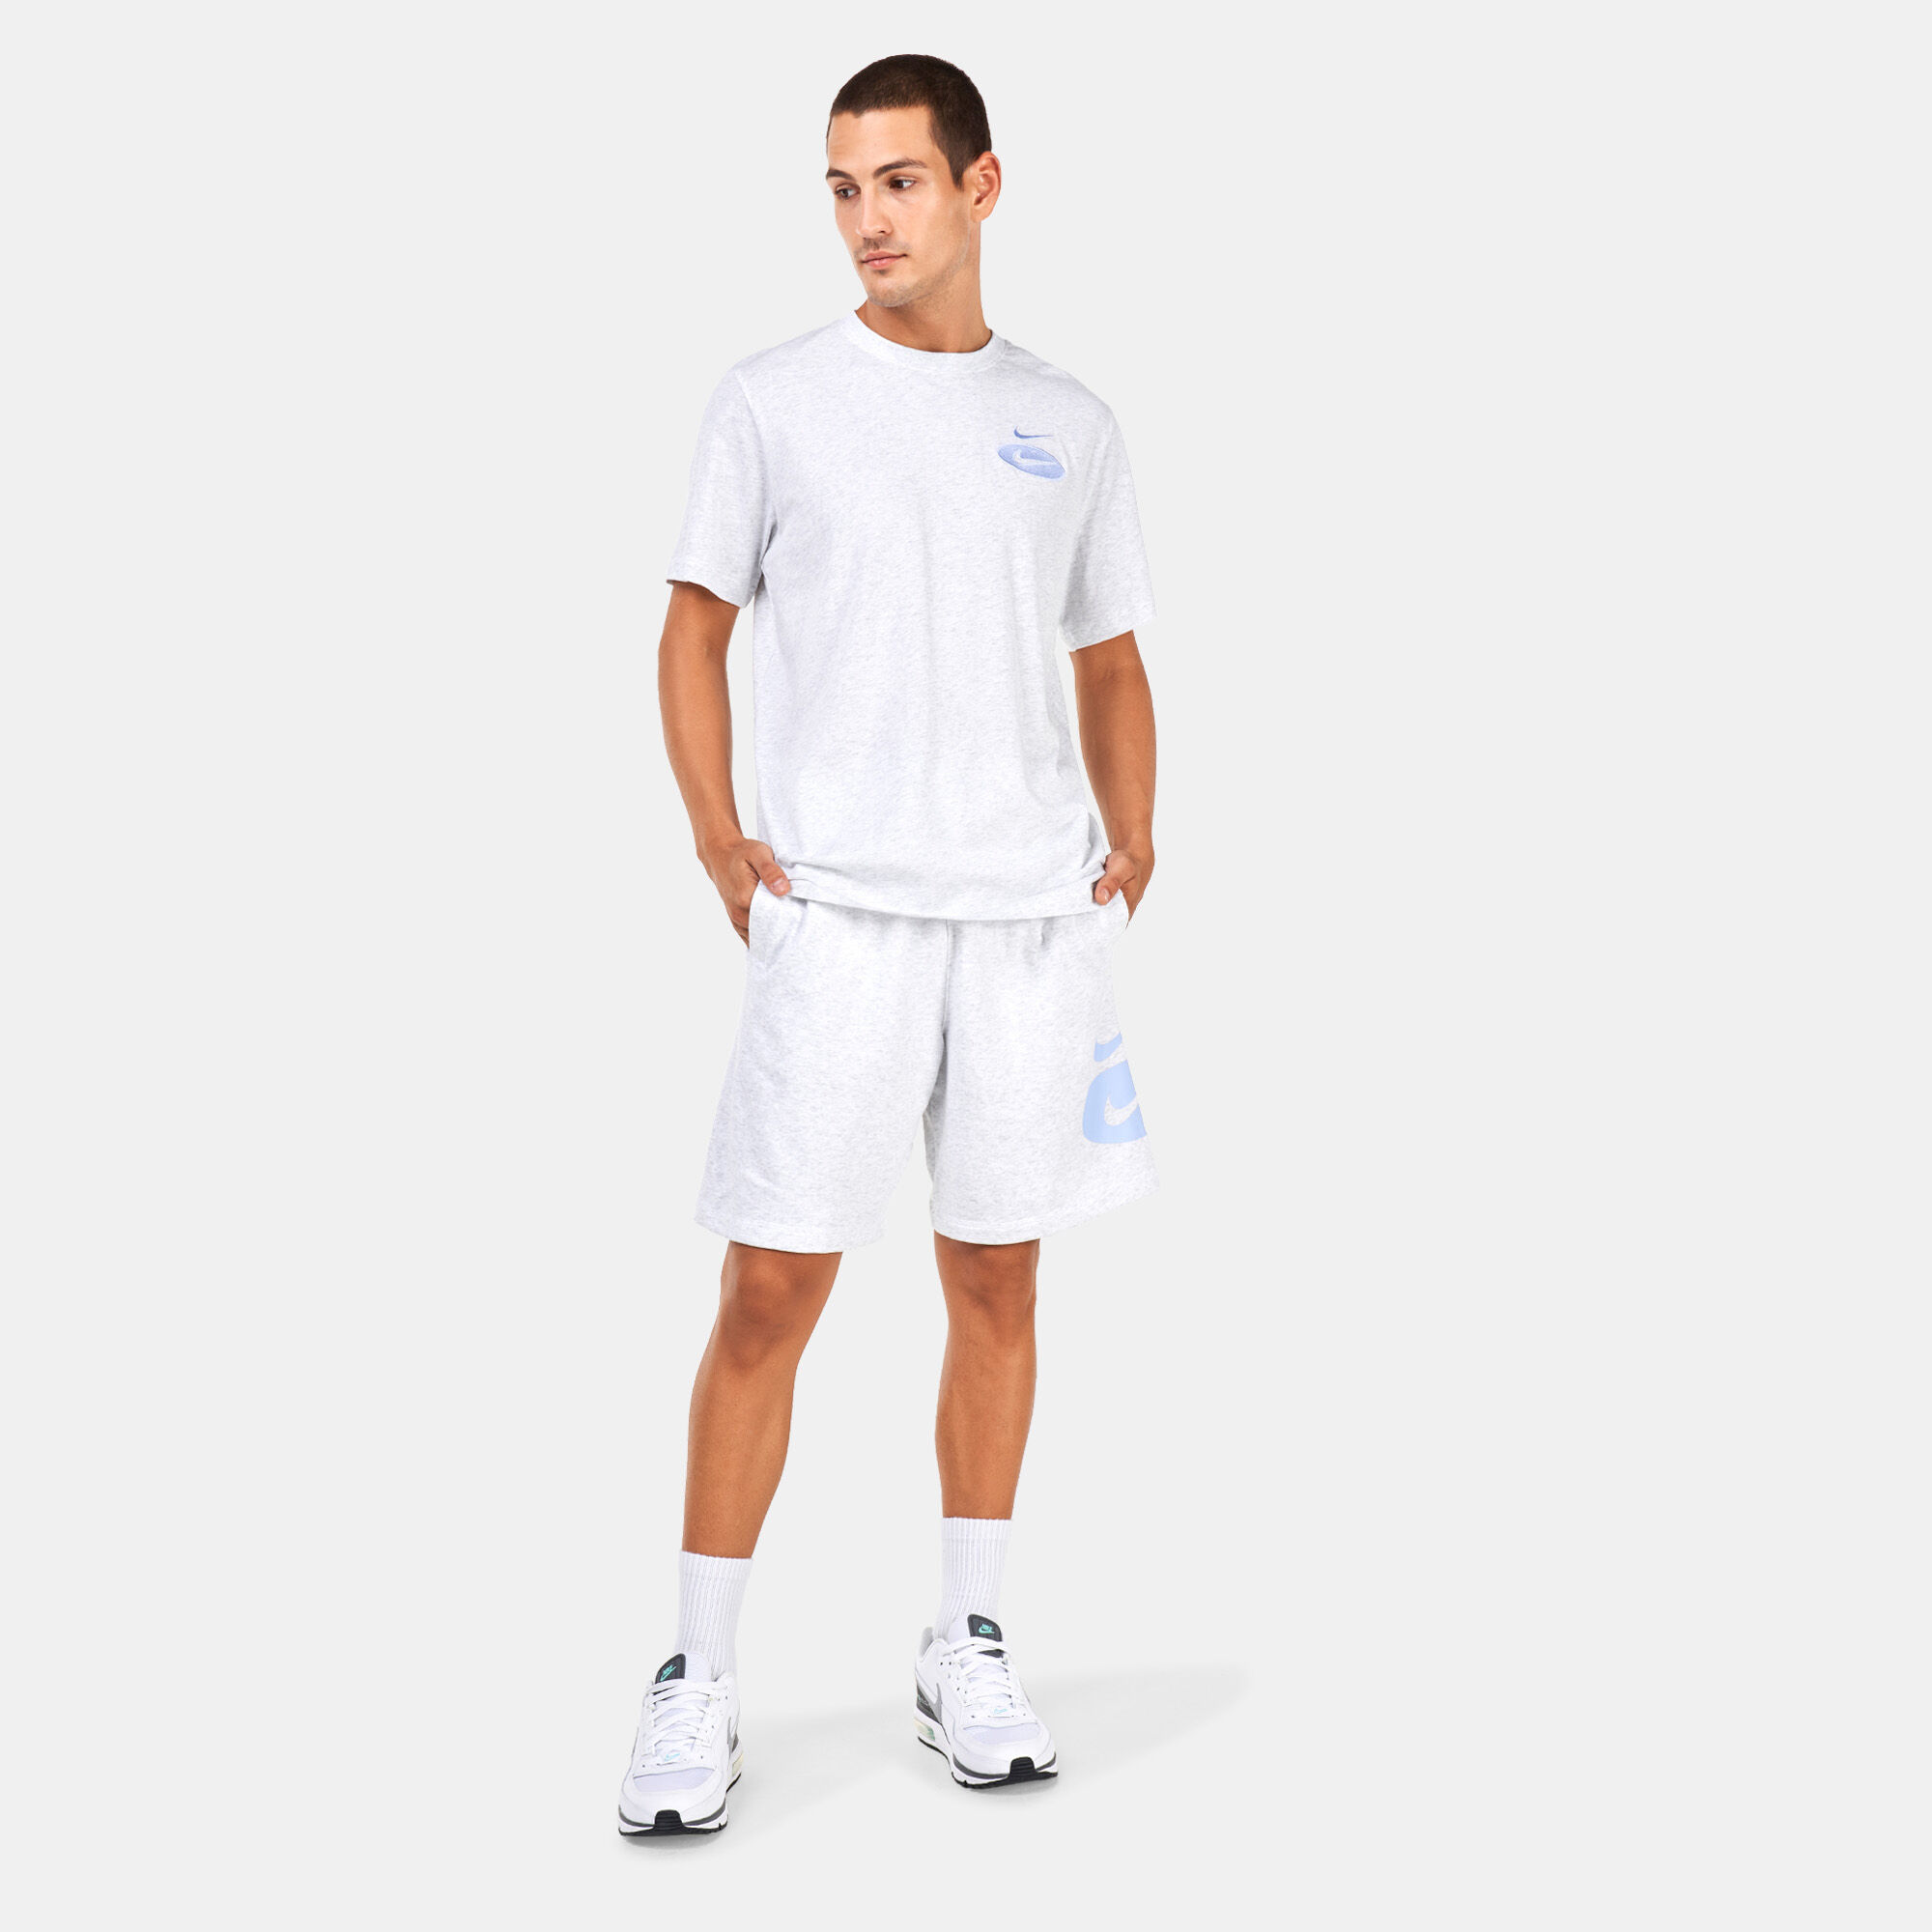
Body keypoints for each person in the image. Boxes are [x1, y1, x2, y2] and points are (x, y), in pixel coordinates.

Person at [618, 52, 1160, 1836]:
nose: (868, 219)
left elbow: (1108, 651)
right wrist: (718, 835)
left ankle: (968, 1641)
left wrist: (1135, 831)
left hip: (1023, 923)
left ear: (981, 187)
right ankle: (697, 1675)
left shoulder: (1068, 419)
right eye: (845, 188)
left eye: (901, 182)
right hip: (840, 913)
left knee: (998, 1276)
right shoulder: (774, 401)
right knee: (772, 1287)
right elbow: (694, 626)